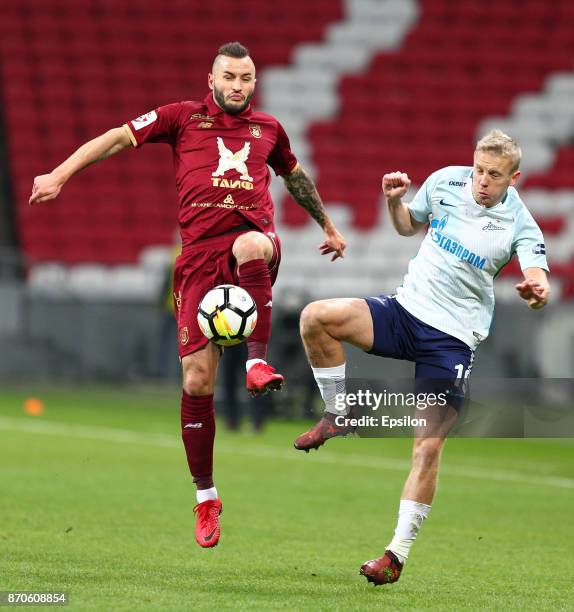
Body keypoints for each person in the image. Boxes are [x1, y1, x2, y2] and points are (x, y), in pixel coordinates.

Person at [29, 41, 346, 548]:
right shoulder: (182, 118)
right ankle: (206, 498)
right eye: (229, 77)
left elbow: (296, 177)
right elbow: (117, 138)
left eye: (246, 78)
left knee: (250, 244)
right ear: (212, 79)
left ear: (254, 82)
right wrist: (61, 175)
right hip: (197, 259)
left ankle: (255, 364)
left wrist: (327, 225)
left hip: (251, 245)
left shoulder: (269, 130)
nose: (237, 86)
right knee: (197, 381)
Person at [293, 130, 549, 584]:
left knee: (427, 447)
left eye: (494, 175)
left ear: (515, 178)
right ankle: (338, 411)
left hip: (450, 341)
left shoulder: (520, 224)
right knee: (317, 318)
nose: (482, 181)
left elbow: (536, 278)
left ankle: (395, 555)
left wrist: (535, 290)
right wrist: (395, 202)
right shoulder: (447, 182)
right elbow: (408, 225)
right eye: (479, 170)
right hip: (405, 310)